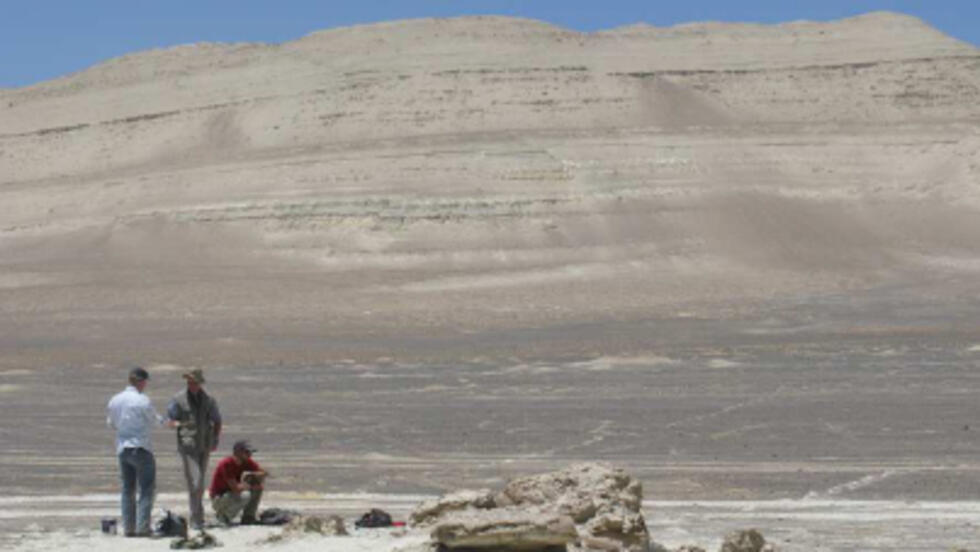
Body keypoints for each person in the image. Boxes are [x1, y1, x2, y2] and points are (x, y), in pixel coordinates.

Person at [106, 366, 168, 537]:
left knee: (127, 489)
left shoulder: (115, 399)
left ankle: (128, 528)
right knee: (147, 488)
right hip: (141, 447)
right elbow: (155, 420)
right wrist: (169, 422)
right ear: (141, 381)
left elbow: (111, 424)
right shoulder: (142, 400)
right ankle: (142, 527)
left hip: (123, 448)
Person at [167, 368, 222, 529]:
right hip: (188, 446)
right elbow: (170, 420)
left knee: (199, 482)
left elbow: (217, 420)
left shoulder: (209, 400)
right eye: (189, 382)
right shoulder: (178, 399)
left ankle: (199, 516)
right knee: (195, 482)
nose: (192, 385)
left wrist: (215, 440)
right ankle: (196, 520)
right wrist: (179, 424)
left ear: (199, 383)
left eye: (194, 382)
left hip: (204, 446)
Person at [209, 440, 267, 525]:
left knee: (258, 489)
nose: (250, 455)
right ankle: (224, 516)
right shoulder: (227, 464)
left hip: (232, 494)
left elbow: (264, 472)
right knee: (246, 495)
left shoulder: (247, 462)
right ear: (238, 452)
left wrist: (254, 475)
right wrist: (248, 485)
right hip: (220, 498)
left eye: (250, 452)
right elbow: (235, 488)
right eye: (247, 452)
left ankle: (248, 517)